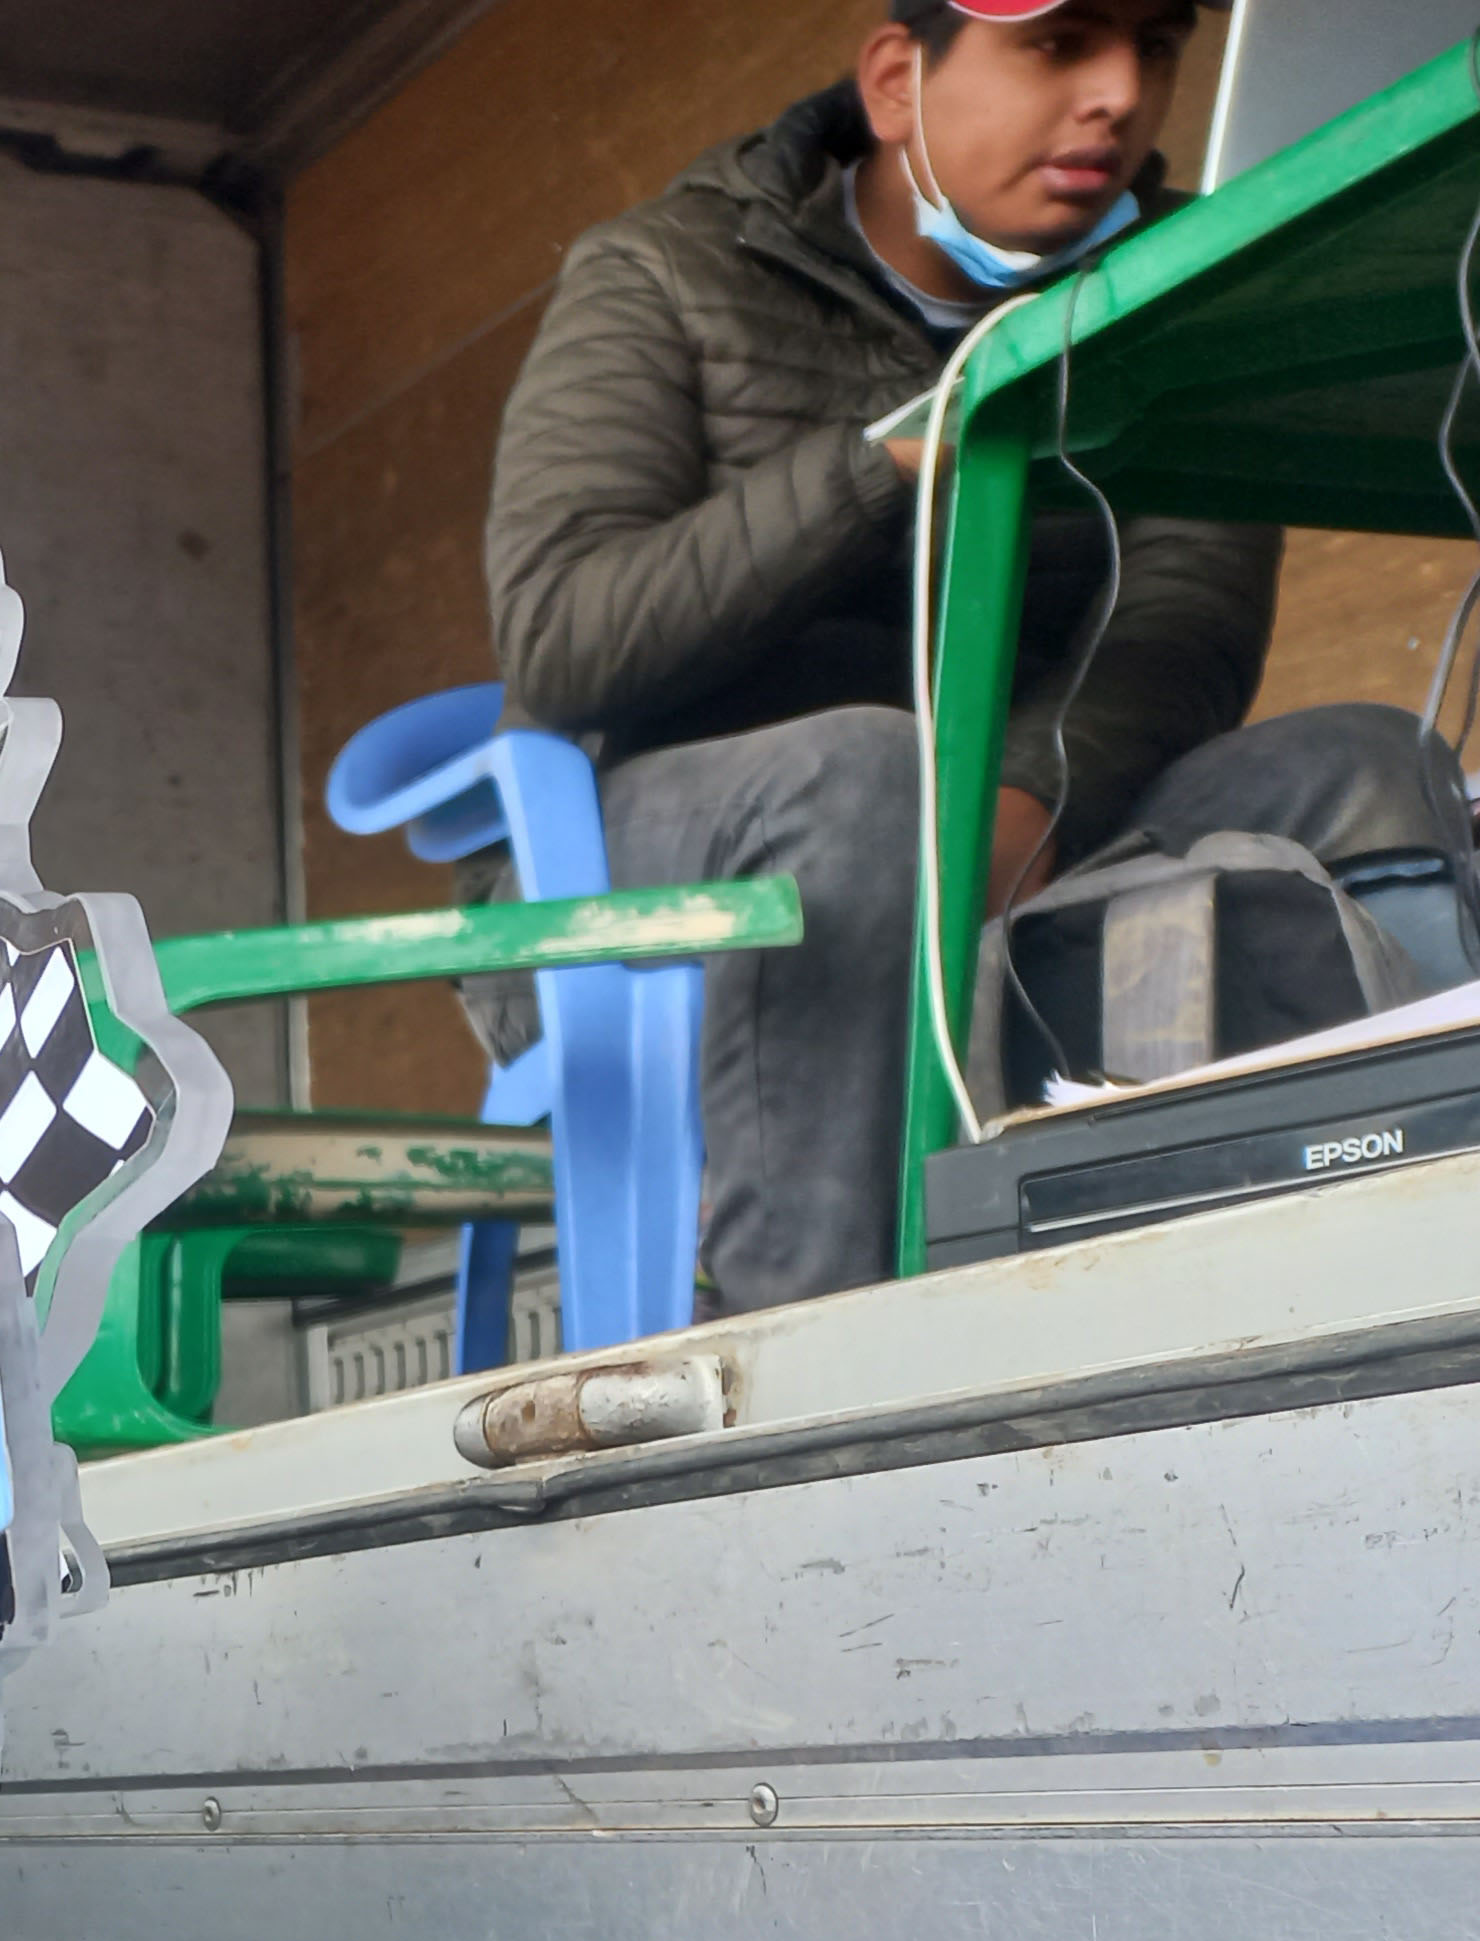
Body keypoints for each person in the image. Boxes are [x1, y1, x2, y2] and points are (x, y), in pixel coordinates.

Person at [484, 0, 1474, 1312]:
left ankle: (1392, 1270)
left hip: (1020, 817)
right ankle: (822, 1346)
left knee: (1364, 760)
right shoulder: (666, 269)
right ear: (898, 81)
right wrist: (885, 465)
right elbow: (564, 638)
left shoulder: (1183, 281)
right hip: (651, 850)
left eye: (1153, 46)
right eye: (1061, 46)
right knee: (867, 777)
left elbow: (1182, 621)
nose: (1119, 93)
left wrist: (1015, 800)